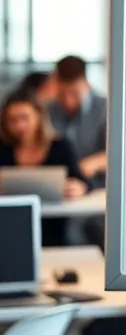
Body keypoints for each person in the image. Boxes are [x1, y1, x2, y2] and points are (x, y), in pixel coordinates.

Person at [0, 89, 88, 246]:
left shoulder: (60, 146)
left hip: (54, 226)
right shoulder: (3, 148)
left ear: (39, 116)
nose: (20, 125)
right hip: (10, 225)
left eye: (25, 118)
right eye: (12, 120)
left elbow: (83, 181)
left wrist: (79, 187)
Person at [48, 55, 107, 187]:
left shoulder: (106, 109)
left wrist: (93, 163)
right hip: (58, 188)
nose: (69, 101)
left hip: (97, 189)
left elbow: (119, 153)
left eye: (75, 94)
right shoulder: (48, 109)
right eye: (62, 94)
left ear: (87, 84)